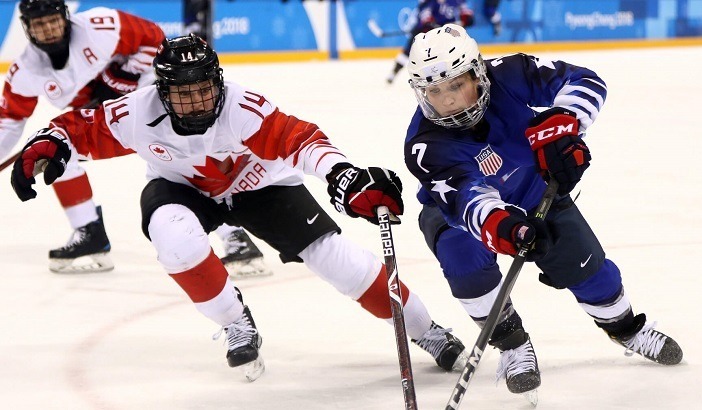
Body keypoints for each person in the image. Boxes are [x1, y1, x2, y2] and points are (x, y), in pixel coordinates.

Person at [10, 34, 466, 380]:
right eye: (182, 93)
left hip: (259, 186)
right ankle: (236, 322)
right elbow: (78, 127)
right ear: (162, 92)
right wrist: (50, 142)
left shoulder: (243, 108)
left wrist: (342, 174)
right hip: (180, 188)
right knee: (173, 239)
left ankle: (425, 328)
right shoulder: (135, 111)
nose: (195, 101)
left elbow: (300, 140)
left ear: (219, 81)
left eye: (203, 89)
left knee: (341, 262)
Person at [402, 24, 683, 398]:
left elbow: (584, 81)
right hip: (458, 216)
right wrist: (508, 229)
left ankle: (625, 328)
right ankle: (512, 344)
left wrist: (562, 128)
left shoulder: (510, 73)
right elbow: (469, 200)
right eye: (434, 91)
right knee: (462, 256)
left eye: (455, 85)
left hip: (537, 190)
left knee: (591, 273)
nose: (448, 100)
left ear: (477, 72)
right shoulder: (425, 144)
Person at [0, 0, 268, 277]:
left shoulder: (101, 26)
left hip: (152, 103)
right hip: (106, 120)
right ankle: (90, 234)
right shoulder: (25, 72)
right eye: (40, 24)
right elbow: (8, 123)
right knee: (56, 152)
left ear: (65, 17)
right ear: (27, 28)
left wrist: (124, 77)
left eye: (53, 20)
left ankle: (236, 238)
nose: (49, 29)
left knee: (185, 167)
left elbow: (154, 38)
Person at [386, 0, 474, 84]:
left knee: (459, 46)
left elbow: (466, 14)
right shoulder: (430, 2)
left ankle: (464, 72)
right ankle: (394, 72)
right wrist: (430, 23)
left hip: (446, 32)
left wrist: (466, 19)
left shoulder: (457, 1)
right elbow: (425, 15)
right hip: (426, 32)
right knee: (409, 51)